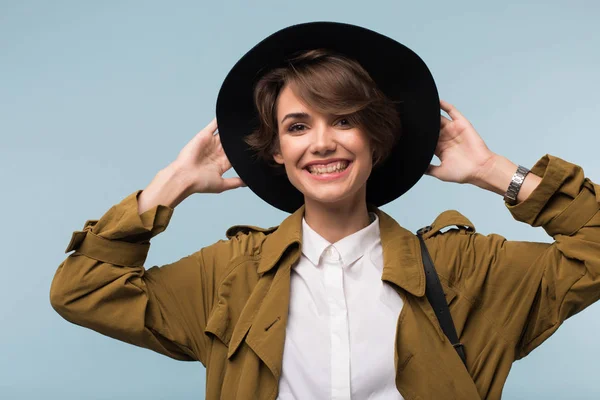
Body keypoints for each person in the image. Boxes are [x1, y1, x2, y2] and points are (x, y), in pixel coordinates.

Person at [49, 22, 600, 400]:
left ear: (375, 139)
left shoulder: (466, 270)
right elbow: (80, 290)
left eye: (342, 119)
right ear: (276, 152)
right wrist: (167, 188)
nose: (321, 143)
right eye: (297, 126)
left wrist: (494, 171)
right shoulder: (229, 276)